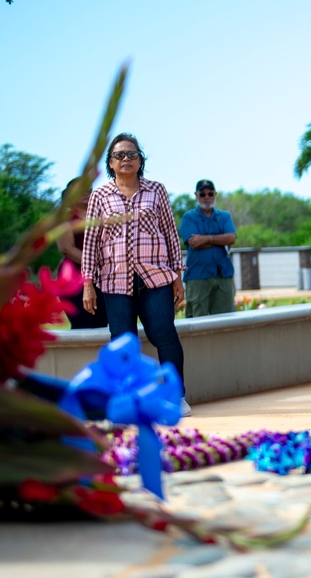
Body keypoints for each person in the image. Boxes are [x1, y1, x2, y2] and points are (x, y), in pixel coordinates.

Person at [81, 133, 191, 416]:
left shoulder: (156, 190)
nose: (126, 159)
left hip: (156, 276)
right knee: (122, 342)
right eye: (119, 155)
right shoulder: (100, 196)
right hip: (115, 280)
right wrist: (88, 284)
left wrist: (177, 277)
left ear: (141, 160)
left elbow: (169, 232)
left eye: (132, 154)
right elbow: (92, 239)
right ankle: (128, 401)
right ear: (111, 163)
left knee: (164, 335)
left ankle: (175, 396)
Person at [178, 179, 237, 317]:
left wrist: (206, 239)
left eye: (210, 193)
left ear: (215, 194)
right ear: (196, 195)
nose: (206, 197)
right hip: (198, 276)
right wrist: (220, 240)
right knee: (198, 320)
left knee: (226, 320)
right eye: (202, 194)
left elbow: (231, 238)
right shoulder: (189, 217)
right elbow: (194, 243)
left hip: (223, 274)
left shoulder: (224, 216)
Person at [56, 178, 109, 329]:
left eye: (89, 188)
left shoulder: (103, 216)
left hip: (103, 277)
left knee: (102, 324)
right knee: (82, 324)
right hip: (73, 278)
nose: (86, 192)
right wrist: (96, 264)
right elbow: (66, 248)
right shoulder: (63, 219)